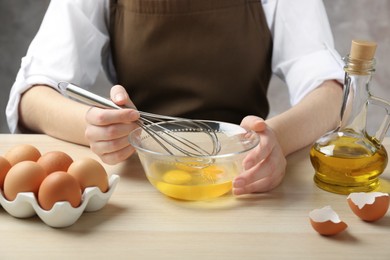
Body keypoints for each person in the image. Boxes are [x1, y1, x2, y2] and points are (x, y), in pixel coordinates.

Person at [6, 0, 344, 195]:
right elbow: (33, 97)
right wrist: (95, 126)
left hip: (241, 182)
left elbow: (331, 94)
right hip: (135, 187)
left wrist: (274, 142)